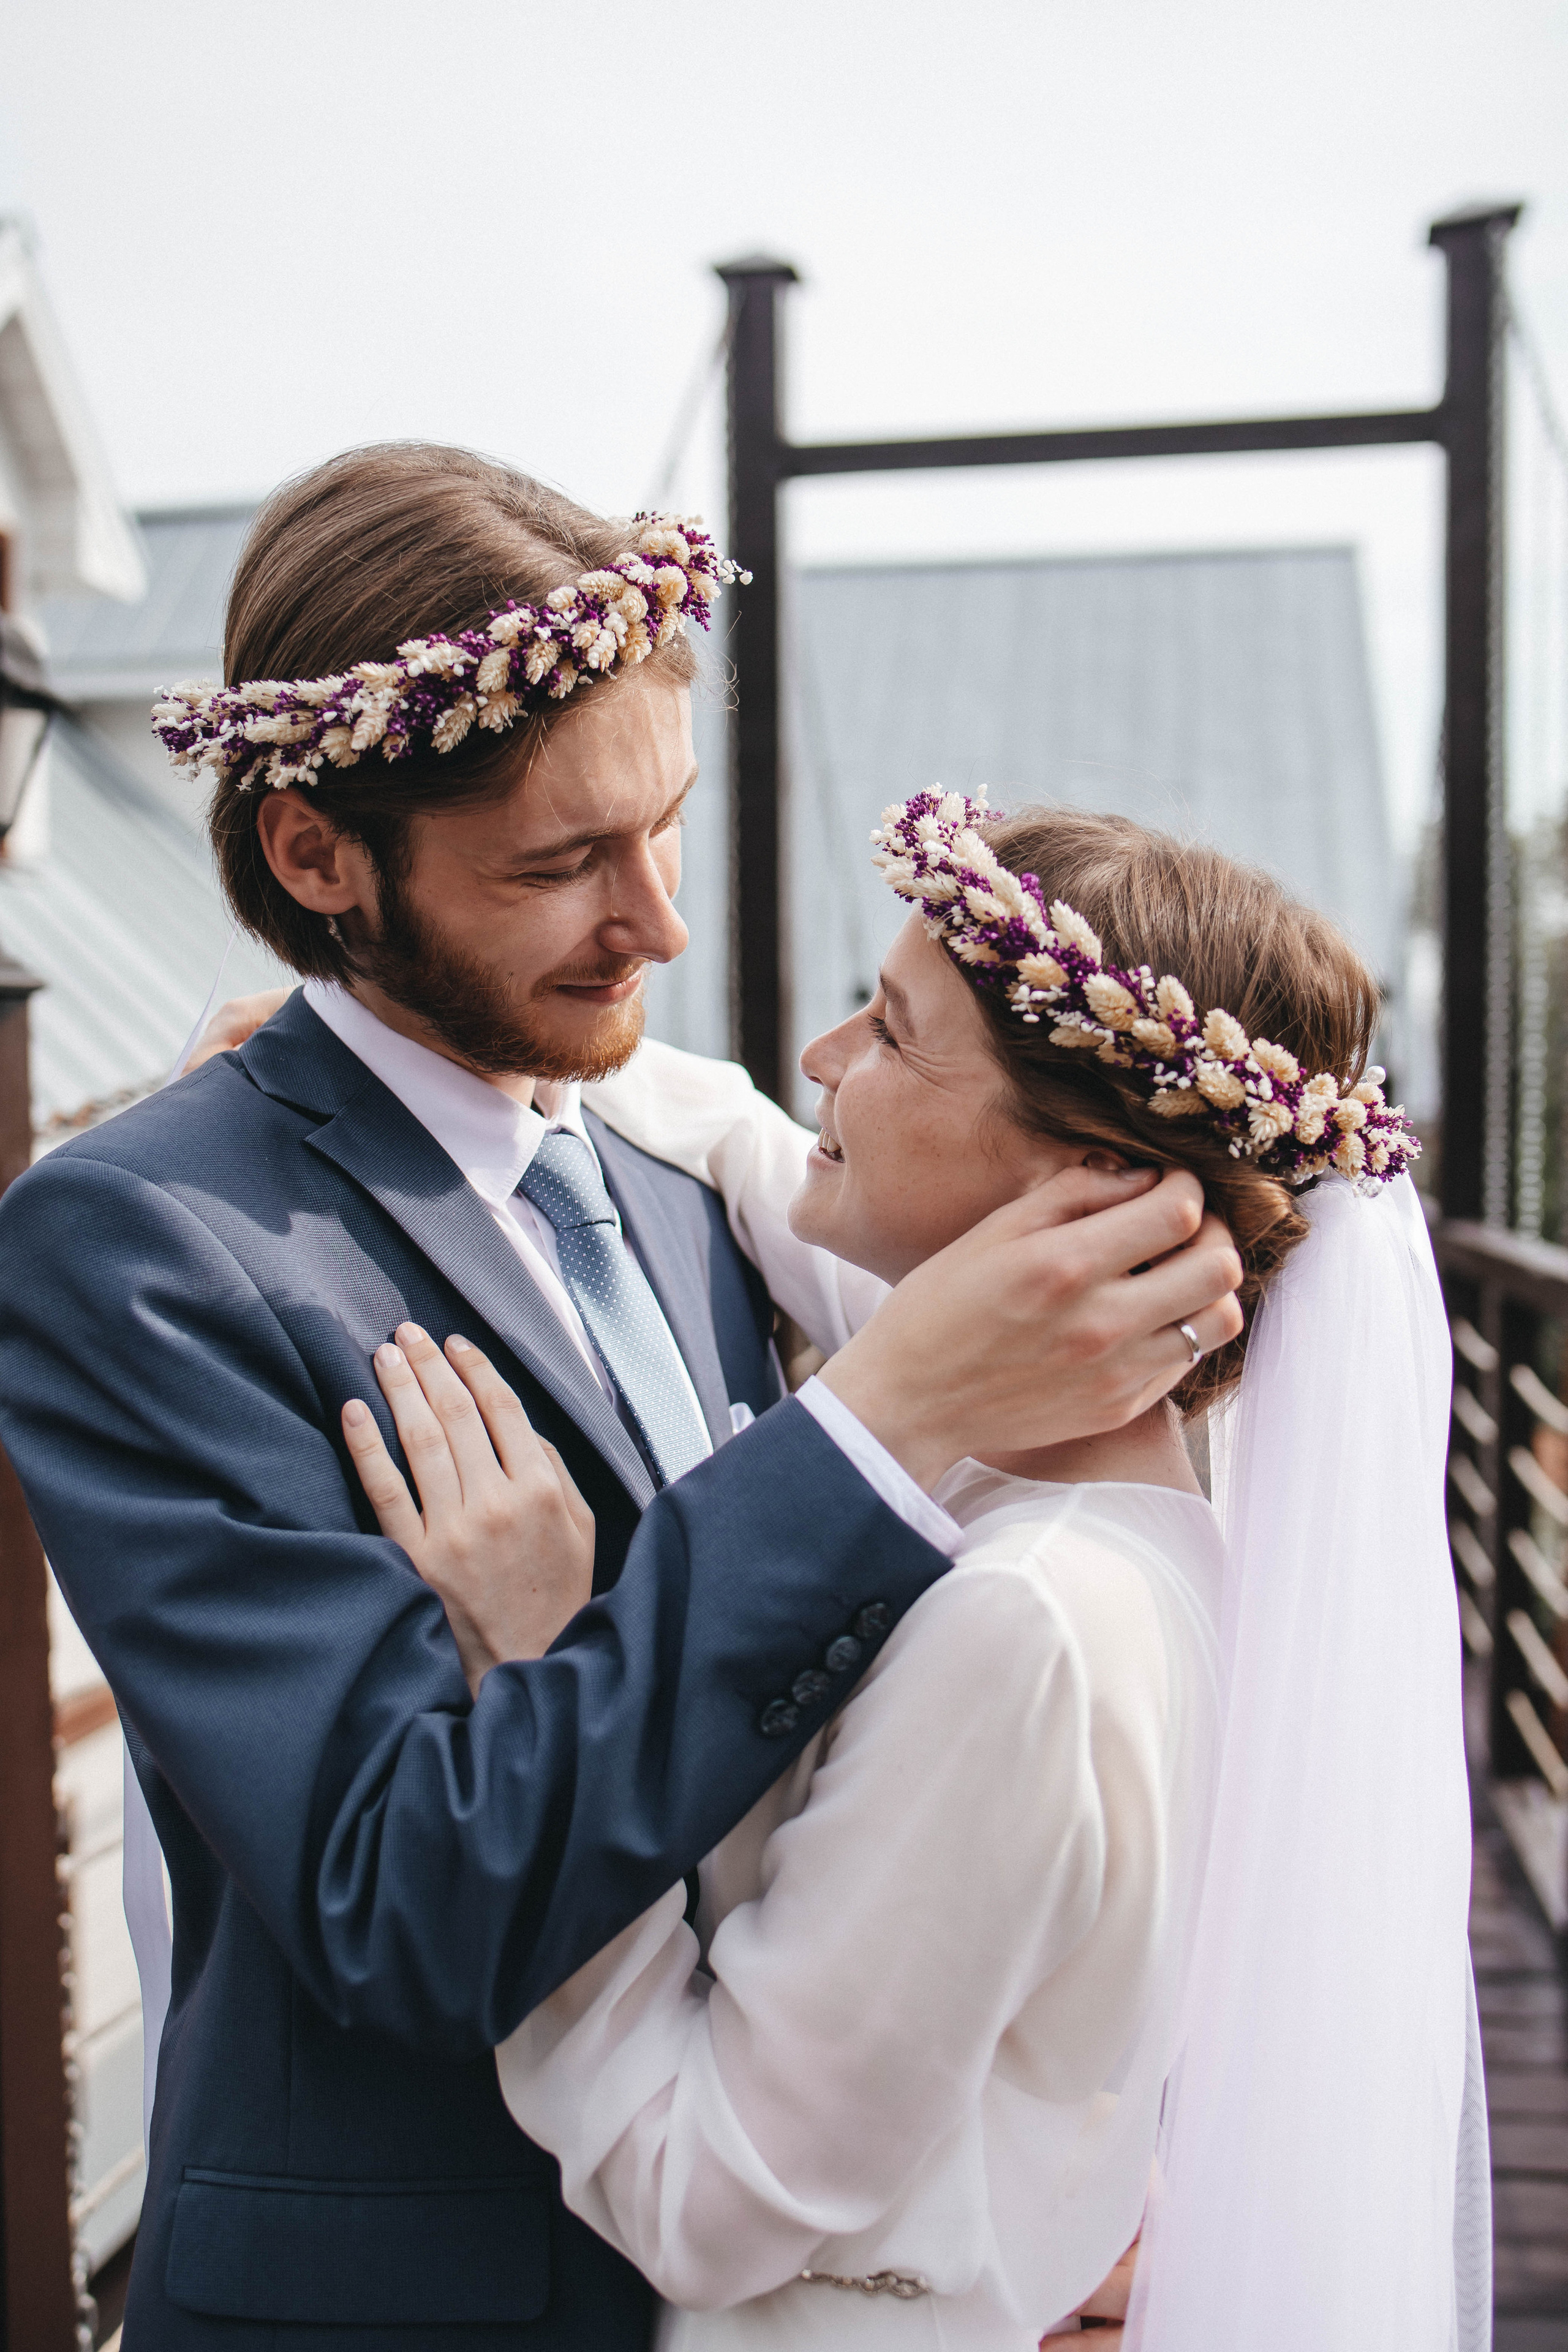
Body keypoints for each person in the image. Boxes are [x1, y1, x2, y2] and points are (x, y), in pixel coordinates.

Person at [0, 448, 1243, 2352]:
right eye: (563, 865)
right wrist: (868, 1428)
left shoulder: (685, 1167)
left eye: (663, 829)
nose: (658, 926)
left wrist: (1021, 2187)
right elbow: (395, 1896)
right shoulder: (142, 1246)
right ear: (319, 859)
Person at [342, 796, 1475, 2348]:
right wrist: (378, 1042)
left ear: (1086, 1184)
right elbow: (773, 1159)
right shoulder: (1129, 1524)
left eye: (888, 1028)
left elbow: (702, 2194)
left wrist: (534, 1666)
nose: (820, 1056)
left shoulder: (1027, 1625)